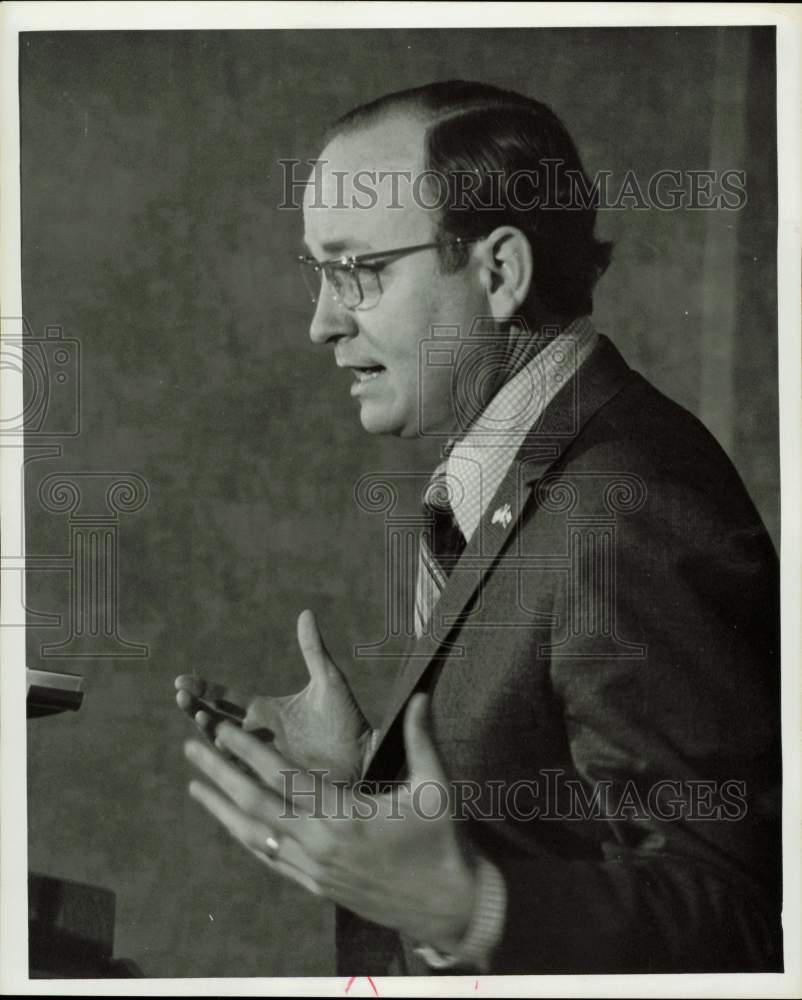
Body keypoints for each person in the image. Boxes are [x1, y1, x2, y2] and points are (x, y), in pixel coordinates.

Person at [175, 81, 782, 976]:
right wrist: (366, 775)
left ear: (499, 273)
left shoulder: (629, 507)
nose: (321, 323)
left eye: (359, 271)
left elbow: (736, 913)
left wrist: (467, 906)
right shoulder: (536, 460)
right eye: (319, 273)